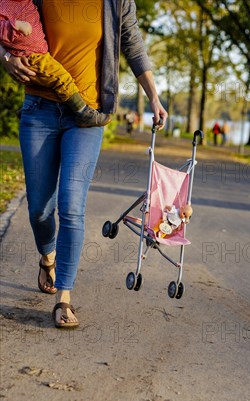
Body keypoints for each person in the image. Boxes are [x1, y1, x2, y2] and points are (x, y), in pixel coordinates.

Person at [0, 0, 168, 329]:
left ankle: (65, 296)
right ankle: (47, 257)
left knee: (72, 206)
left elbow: (132, 43)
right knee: (39, 209)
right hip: (40, 108)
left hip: (88, 115)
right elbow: (7, 18)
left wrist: (154, 96)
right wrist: (4, 56)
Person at [0, 0, 110, 127]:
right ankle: (83, 112)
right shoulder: (3, 5)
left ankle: (27, 109)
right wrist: (15, 26)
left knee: (48, 79)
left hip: (38, 52)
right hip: (31, 56)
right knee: (61, 79)